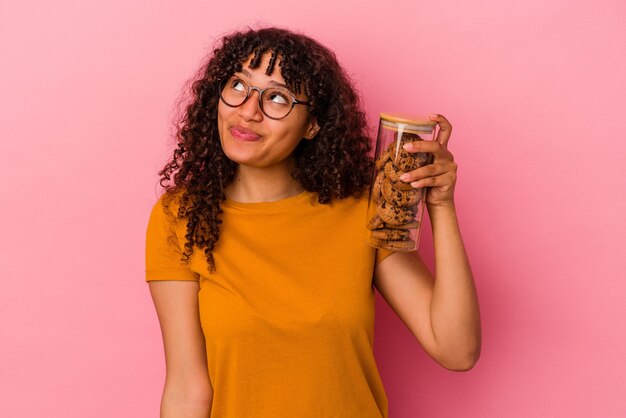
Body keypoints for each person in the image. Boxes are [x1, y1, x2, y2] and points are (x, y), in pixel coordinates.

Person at [145, 26, 481, 418]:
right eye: (238, 85)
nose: (248, 111)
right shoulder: (181, 216)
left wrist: (441, 206)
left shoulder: (362, 211)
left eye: (277, 97)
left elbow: (456, 349)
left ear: (313, 125)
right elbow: (187, 386)